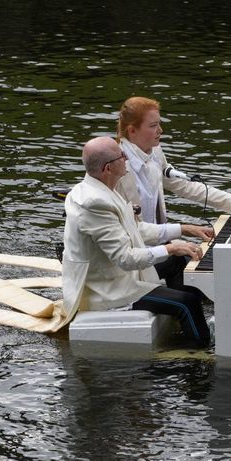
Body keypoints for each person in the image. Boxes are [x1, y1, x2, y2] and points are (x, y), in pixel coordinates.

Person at [62, 136, 212, 346]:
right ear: (108, 168)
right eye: (121, 156)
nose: (126, 158)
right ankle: (200, 355)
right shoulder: (95, 203)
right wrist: (169, 248)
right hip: (108, 290)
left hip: (121, 275)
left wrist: (184, 229)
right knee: (186, 303)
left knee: (178, 262)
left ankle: (184, 327)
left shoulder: (101, 188)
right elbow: (126, 258)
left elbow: (135, 229)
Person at [115, 95, 231, 288]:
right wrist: (184, 230)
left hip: (160, 244)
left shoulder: (154, 152)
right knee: (188, 264)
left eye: (159, 124)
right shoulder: (117, 170)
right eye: (153, 126)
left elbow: (183, 185)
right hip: (137, 258)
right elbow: (131, 233)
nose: (160, 130)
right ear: (132, 130)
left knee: (200, 264)